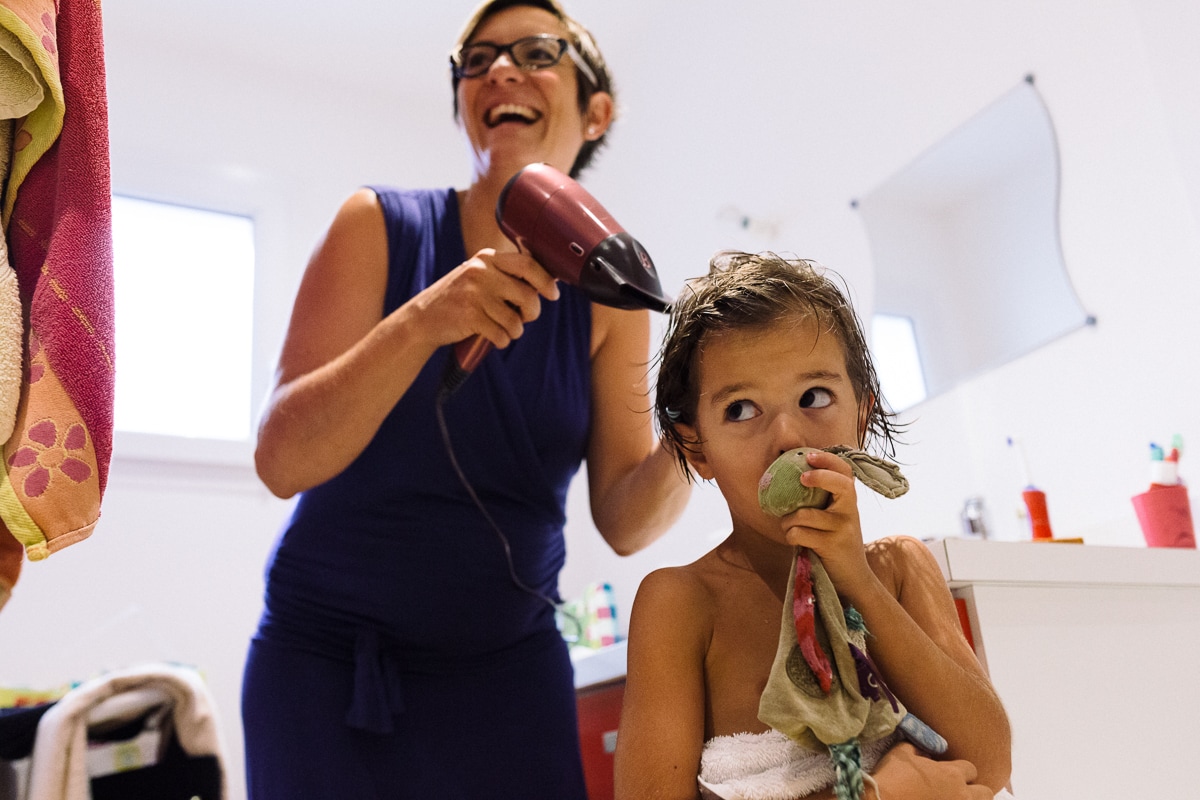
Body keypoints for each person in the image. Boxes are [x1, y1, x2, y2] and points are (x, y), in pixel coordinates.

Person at [240, 2, 690, 798]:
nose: (499, 71)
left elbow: (624, 519)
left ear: (596, 111)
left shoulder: (612, 298)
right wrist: (421, 321)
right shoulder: (376, 226)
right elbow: (282, 461)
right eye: (475, 61)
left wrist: (691, 437)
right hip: (328, 669)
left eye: (535, 52)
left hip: (508, 674)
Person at [613, 252, 1012, 799]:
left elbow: (990, 763)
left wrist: (859, 581)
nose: (788, 438)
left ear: (862, 416)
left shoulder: (897, 570)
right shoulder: (682, 605)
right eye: (741, 409)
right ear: (695, 447)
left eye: (814, 397)